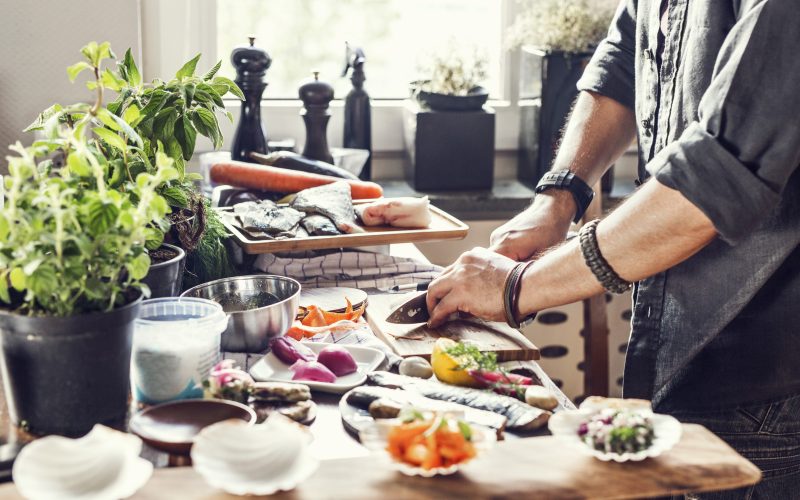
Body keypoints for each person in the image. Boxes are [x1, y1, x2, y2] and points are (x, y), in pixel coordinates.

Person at [425, 1, 800, 497]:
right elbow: (628, 56)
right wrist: (559, 197)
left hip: (770, 387)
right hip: (684, 358)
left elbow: (716, 177)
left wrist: (518, 286)